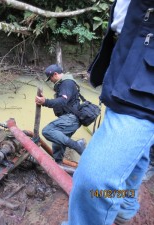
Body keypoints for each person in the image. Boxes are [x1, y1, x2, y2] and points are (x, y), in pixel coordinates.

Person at [64, 0, 154, 224]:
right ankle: (125, 203)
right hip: (123, 62)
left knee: (93, 181)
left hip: (145, 77)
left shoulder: (65, 86)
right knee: (139, 151)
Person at [35, 64, 86, 164]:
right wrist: (45, 100)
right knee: (57, 143)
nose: (50, 81)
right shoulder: (63, 84)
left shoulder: (66, 83)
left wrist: (45, 102)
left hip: (71, 119)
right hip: (69, 118)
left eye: (50, 78)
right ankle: (58, 165)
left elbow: (63, 101)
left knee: (47, 131)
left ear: (55, 74)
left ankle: (77, 145)